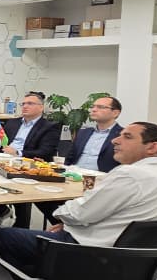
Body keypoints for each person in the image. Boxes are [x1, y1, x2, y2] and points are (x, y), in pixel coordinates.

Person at [0, 122, 157, 272]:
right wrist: (71, 223)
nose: (115, 141)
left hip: (87, 252)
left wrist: (65, 219)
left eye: (127, 137)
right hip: (131, 262)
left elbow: (77, 213)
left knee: (3, 235)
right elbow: (125, 220)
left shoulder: (130, 175)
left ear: (152, 147)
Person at [41, 96, 123, 225]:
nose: (94, 109)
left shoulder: (122, 135)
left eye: (100, 107)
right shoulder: (84, 132)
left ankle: (67, 226)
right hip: (73, 177)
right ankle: (63, 224)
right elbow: (70, 158)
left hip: (99, 183)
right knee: (41, 193)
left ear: (115, 113)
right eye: (93, 106)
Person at [0, 91, 62, 228]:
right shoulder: (12, 123)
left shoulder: (49, 127)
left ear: (41, 107)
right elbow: (2, 143)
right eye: (23, 104)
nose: (25, 106)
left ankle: (19, 226)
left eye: (30, 103)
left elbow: (45, 152)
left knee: (20, 193)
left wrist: (18, 152)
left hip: (29, 168)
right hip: (4, 163)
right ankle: (0, 213)